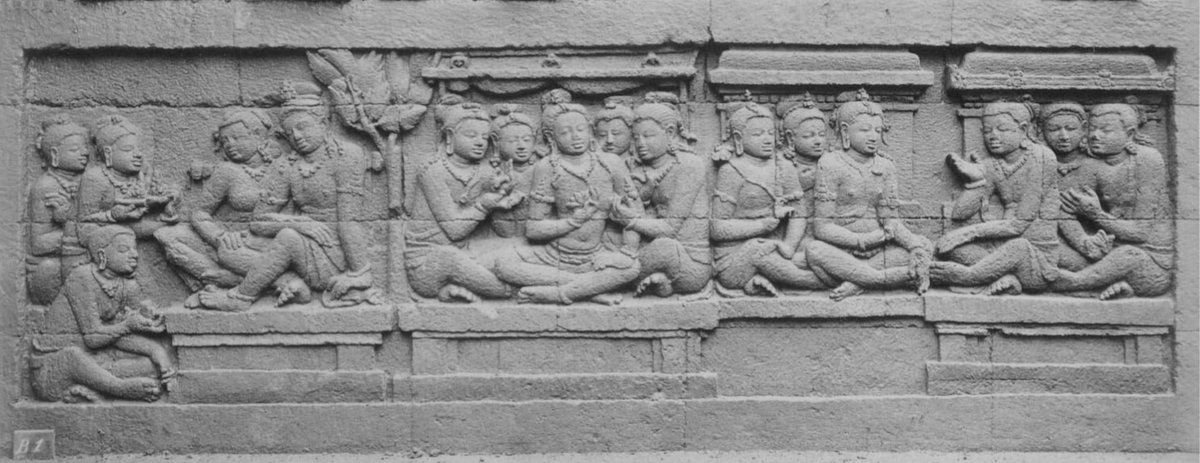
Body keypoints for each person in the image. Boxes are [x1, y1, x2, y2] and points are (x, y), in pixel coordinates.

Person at [196, 82, 377, 311]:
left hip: (335, 254)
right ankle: (290, 283)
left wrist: (359, 272)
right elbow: (258, 221)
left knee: (288, 238)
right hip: (302, 241)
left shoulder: (347, 156)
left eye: (302, 127)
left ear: (323, 123)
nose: (296, 136)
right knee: (229, 251)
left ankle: (241, 297)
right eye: (290, 132)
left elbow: (349, 221)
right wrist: (300, 223)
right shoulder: (286, 165)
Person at [493, 89, 643, 305]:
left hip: (598, 256)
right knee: (504, 264)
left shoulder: (611, 163)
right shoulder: (547, 167)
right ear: (551, 138)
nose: (576, 137)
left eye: (581, 129)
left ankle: (559, 293)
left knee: (632, 268)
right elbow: (533, 229)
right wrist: (574, 221)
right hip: (553, 255)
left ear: (590, 131)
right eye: (565, 132)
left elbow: (636, 215)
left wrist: (626, 252)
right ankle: (587, 289)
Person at [153, 108, 310, 306]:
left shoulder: (283, 167)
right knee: (167, 235)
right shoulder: (226, 171)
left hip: (271, 239)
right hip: (232, 239)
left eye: (236, 138)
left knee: (231, 255)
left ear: (257, 135)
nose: (230, 145)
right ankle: (258, 282)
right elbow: (199, 213)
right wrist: (220, 236)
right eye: (225, 141)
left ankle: (232, 285)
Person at [805, 89, 932, 300]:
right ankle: (883, 279)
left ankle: (858, 281)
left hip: (880, 251)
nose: (873, 136)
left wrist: (914, 246)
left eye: (878, 130)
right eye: (864, 130)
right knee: (814, 250)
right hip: (842, 252)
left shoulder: (886, 166)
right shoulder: (830, 164)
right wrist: (861, 241)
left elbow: (891, 221)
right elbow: (822, 228)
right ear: (845, 131)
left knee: (924, 245)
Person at [929, 99, 1061, 296]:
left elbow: (1018, 225)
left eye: (1002, 129)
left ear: (1023, 129)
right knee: (948, 247)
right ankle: (1002, 278)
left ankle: (968, 277)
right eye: (987, 131)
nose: (993, 136)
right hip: (999, 251)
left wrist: (967, 233)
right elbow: (960, 213)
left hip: (1035, 260)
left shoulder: (1042, 158)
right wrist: (977, 180)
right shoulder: (993, 164)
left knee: (1018, 247)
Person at [404, 96, 520, 302]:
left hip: (468, 253)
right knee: (449, 258)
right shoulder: (432, 171)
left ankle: (459, 288)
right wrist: (485, 204)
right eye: (471, 135)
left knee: (517, 247)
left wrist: (504, 194)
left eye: (484, 137)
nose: (480, 142)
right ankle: (513, 292)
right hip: (428, 263)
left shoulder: (485, 172)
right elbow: (455, 230)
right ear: (449, 136)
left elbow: (504, 231)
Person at [1052, 102, 1172, 299]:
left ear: (1130, 134)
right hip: (1105, 255)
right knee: (1052, 250)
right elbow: (1063, 209)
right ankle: (1106, 283)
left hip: (1150, 262)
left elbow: (1140, 232)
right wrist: (1085, 243)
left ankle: (1075, 282)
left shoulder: (1147, 160)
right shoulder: (1091, 165)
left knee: (1128, 256)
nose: (1095, 136)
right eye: (1092, 129)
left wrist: (1096, 215)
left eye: (1105, 130)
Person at [45, 225, 176, 393]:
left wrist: (156, 350)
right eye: (124, 249)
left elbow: (118, 336)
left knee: (151, 365)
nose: (135, 255)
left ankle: (96, 386)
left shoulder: (127, 286)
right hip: (54, 365)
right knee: (72, 356)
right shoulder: (82, 277)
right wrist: (128, 325)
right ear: (102, 255)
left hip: (94, 359)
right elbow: (93, 338)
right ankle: (120, 388)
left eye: (134, 249)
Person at [623, 92, 711, 297]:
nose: (640, 143)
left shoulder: (689, 165)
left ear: (670, 132)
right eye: (636, 137)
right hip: (654, 250)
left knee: (664, 247)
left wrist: (630, 221)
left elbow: (671, 228)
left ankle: (607, 278)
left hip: (690, 263)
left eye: (648, 136)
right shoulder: (643, 168)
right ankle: (660, 281)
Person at [76, 115, 178, 242]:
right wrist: (112, 215)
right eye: (128, 149)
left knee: (173, 231)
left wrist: (170, 199)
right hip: (107, 237)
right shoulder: (95, 178)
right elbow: (84, 223)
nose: (138, 154)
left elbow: (155, 194)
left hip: (135, 227)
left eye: (138, 149)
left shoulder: (141, 173)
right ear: (108, 153)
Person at [27, 116, 91, 305]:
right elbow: (38, 244)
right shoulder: (45, 187)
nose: (85, 153)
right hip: (55, 264)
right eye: (74, 149)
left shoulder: (89, 181)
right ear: (55, 154)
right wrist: (76, 232)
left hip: (83, 255)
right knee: (50, 269)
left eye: (85, 148)